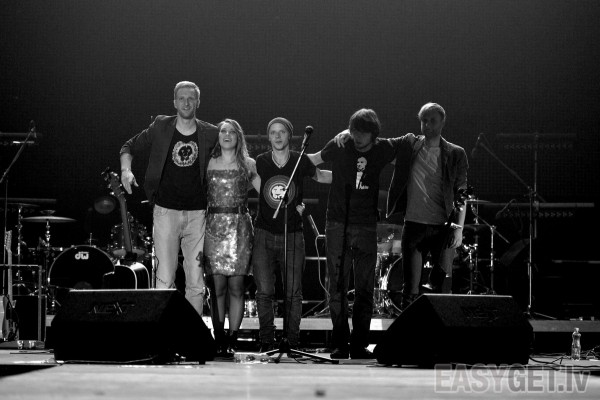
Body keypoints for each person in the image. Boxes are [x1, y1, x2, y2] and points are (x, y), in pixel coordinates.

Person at [335, 103, 468, 309]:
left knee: (442, 288)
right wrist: (348, 132)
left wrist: (458, 228)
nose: (427, 125)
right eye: (424, 120)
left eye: (432, 120)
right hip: (414, 225)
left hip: (443, 228)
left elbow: (462, 192)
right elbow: (379, 143)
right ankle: (410, 328)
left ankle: (441, 328)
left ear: (442, 122)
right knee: (410, 289)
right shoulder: (410, 143)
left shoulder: (456, 153)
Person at [307, 109, 400, 360]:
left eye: (363, 132)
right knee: (337, 286)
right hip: (337, 223)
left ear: (373, 133)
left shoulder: (382, 149)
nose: (357, 137)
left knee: (364, 289)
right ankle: (340, 343)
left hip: (367, 225)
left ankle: (359, 345)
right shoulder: (341, 144)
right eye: (354, 131)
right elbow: (314, 160)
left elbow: (407, 149)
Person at [120, 81, 218, 316]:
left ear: (198, 102)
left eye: (191, 98)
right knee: (164, 278)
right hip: (165, 211)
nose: (186, 103)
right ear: (174, 102)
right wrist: (126, 171)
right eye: (181, 98)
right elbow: (128, 147)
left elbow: (234, 154)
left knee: (196, 280)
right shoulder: (161, 126)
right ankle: (166, 333)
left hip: (198, 214)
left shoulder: (211, 133)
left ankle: (192, 333)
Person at [252, 117, 331, 353]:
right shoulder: (261, 161)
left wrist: (351, 176)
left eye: (282, 132)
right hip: (264, 233)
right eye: (273, 132)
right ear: (268, 137)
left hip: (293, 234)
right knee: (264, 292)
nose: (277, 136)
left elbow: (321, 176)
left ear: (289, 135)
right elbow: (254, 184)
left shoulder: (300, 159)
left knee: (293, 293)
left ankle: (292, 342)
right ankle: (267, 342)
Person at [204, 118, 259, 357]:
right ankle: (218, 338)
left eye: (232, 132)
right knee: (217, 286)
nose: (227, 135)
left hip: (240, 227)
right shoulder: (207, 162)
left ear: (239, 137)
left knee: (237, 287)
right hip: (213, 226)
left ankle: (232, 339)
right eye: (223, 131)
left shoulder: (248, 163)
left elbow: (268, 191)